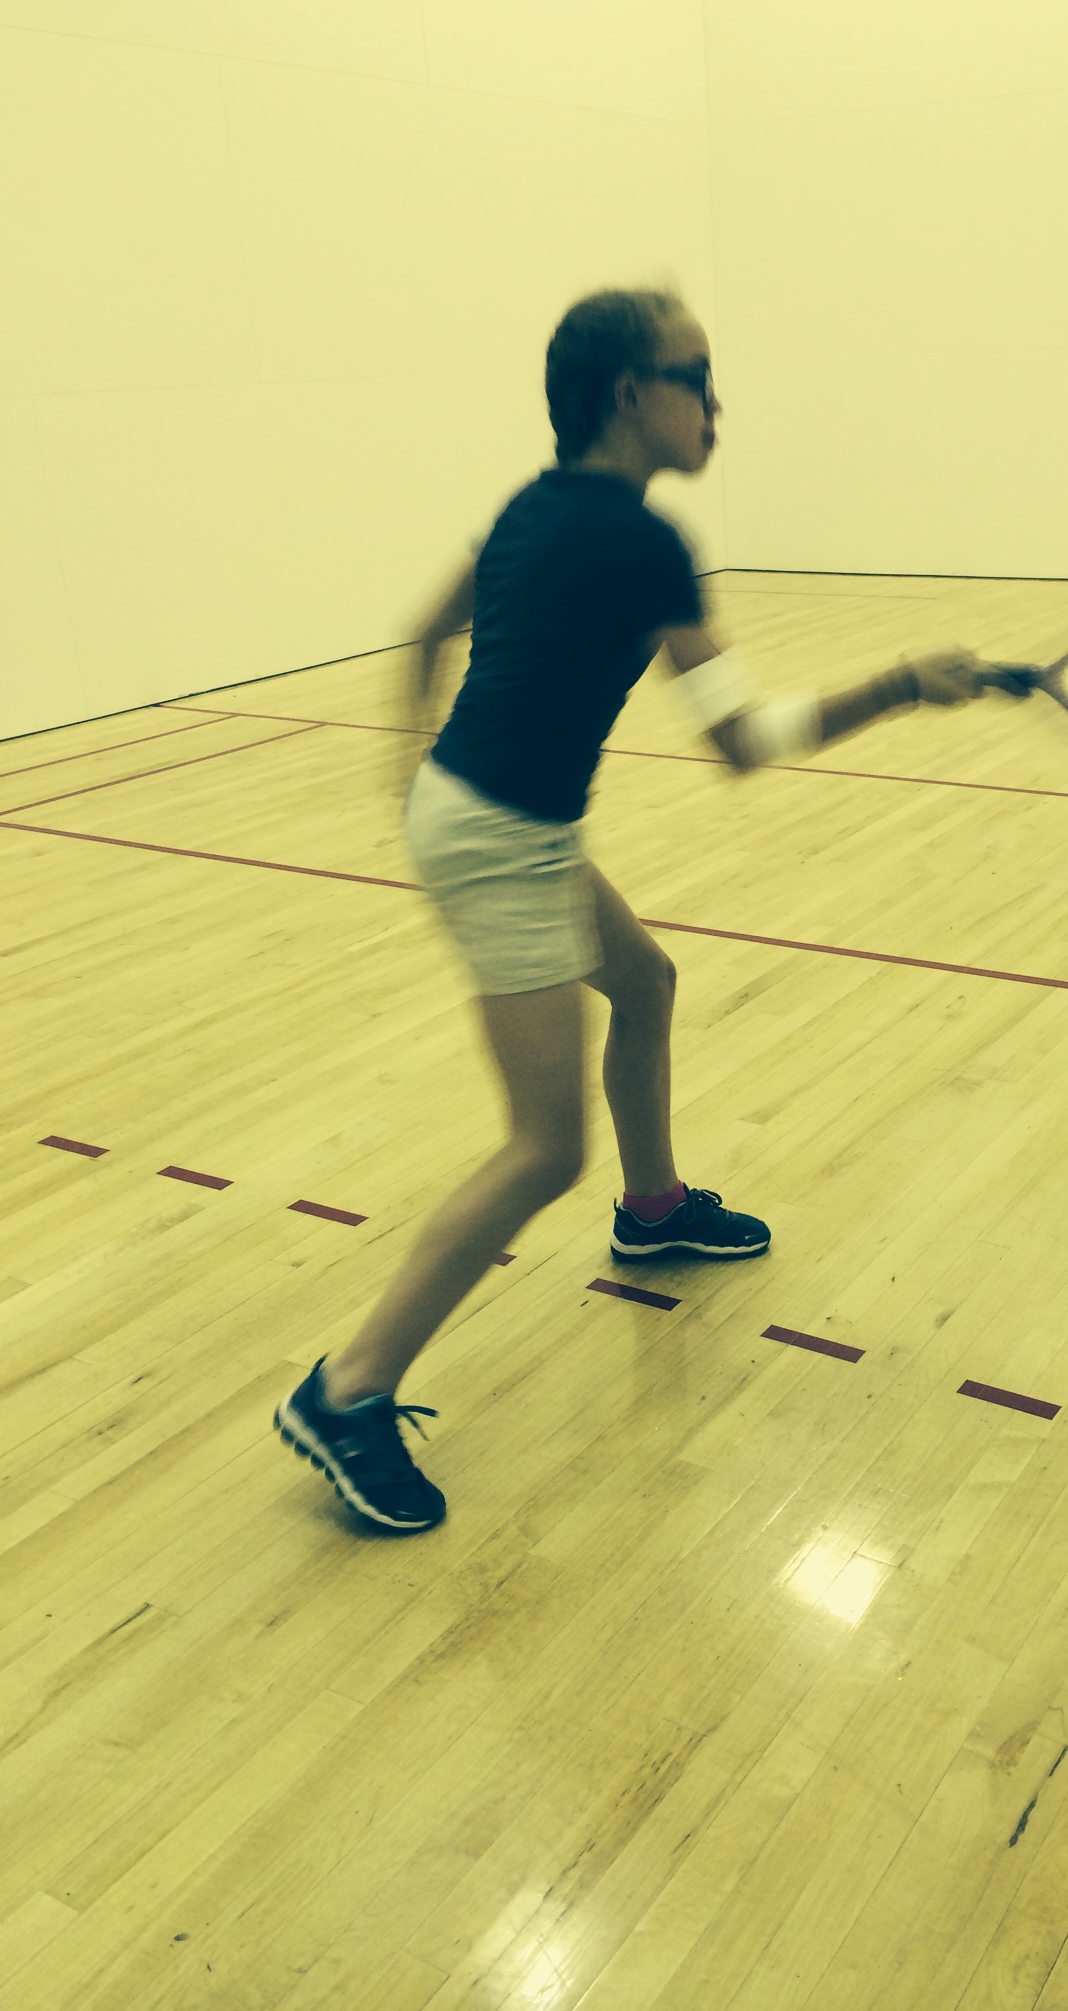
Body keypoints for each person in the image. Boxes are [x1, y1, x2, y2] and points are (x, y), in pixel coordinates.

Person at [275, 286, 984, 1533]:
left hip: (498, 820)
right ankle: (348, 1389)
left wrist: (409, 765)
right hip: (500, 840)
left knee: (646, 986)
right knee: (542, 1145)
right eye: (696, 375)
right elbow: (743, 743)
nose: (716, 402)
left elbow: (421, 632)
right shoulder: (646, 543)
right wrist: (902, 684)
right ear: (628, 394)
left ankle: (653, 1213)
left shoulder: (531, 509)